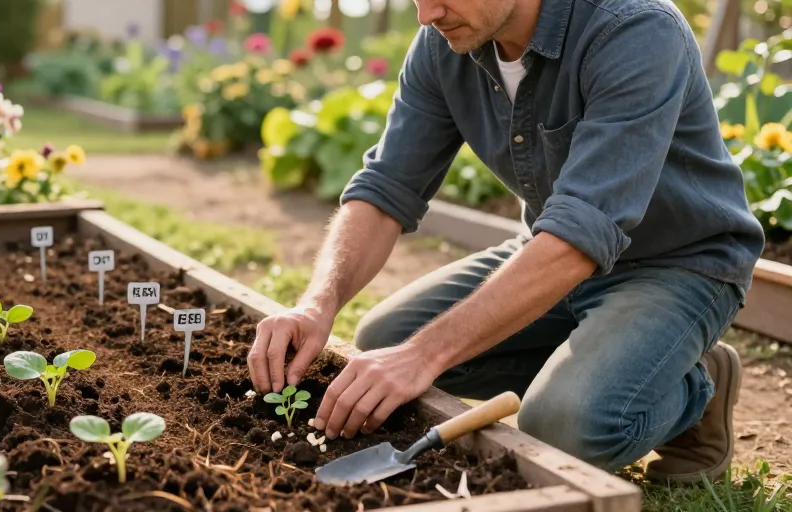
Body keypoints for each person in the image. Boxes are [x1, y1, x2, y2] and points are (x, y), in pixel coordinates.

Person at [246, 0, 765, 482]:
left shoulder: (635, 29)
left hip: (676, 264)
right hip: (550, 254)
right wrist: (317, 304)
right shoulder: (445, 43)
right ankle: (604, 366)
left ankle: (698, 381)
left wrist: (424, 355)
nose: (427, 14)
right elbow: (386, 189)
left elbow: (582, 231)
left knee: (562, 427)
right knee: (385, 340)